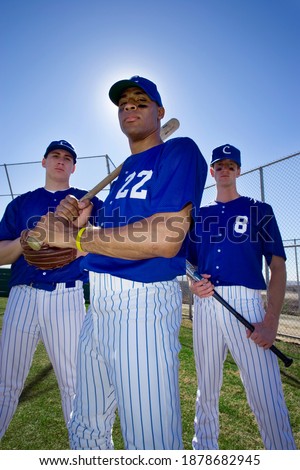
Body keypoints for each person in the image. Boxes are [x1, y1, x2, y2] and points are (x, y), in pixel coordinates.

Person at [27, 75, 208, 450]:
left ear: (160, 112)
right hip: (98, 307)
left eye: (141, 101)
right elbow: (102, 239)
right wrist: (80, 220)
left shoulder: (179, 151)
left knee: (150, 442)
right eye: (124, 103)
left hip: (142, 305)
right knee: (86, 429)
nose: (130, 107)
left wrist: (76, 238)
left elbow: (165, 237)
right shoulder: (123, 174)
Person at [187, 143, 296, 450]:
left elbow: (277, 266)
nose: (225, 169)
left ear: (238, 170)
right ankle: (203, 451)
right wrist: (194, 283)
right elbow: (191, 266)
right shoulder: (200, 215)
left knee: (265, 393)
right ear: (212, 171)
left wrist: (271, 322)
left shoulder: (259, 210)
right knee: (206, 388)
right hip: (206, 304)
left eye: (230, 165)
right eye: (219, 165)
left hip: (246, 303)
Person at [0, 139, 102, 439]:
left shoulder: (86, 200)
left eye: (68, 157)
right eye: (55, 155)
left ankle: (85, 455)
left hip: (67, 295)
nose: (61, 160)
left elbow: (111, 243)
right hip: (23, 294)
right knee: (6, 382)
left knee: (74, 384)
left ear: (73, 167)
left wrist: (76, 236)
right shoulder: (21, 203)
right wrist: (24, 240)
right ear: (44, 162)